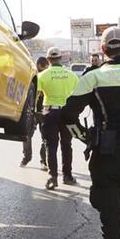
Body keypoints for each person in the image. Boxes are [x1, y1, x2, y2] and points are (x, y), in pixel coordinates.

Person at [62, 27, 120, 239]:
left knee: (112, 225)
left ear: (103, 50)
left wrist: (86, 138)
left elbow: (68, 117)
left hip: (106, 156)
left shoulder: (92, 76)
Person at [37, 47, 79, 189]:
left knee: (51, 146)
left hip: (50, 113)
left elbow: (35, 94)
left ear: (48, 59)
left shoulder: (42, 75)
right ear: (61, 58)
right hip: (67, 114)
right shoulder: (72, 75)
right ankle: (67, 176)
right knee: (67, 145)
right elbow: (78, 94)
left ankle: (52, 177)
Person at [20, 56, 49, 169]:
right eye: (42, 68)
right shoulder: (34, 76)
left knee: (40, 136)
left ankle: (35, 159)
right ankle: (34, 159)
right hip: (36, 111)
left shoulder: (42, 76)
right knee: (30, 135)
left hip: (39, 111)